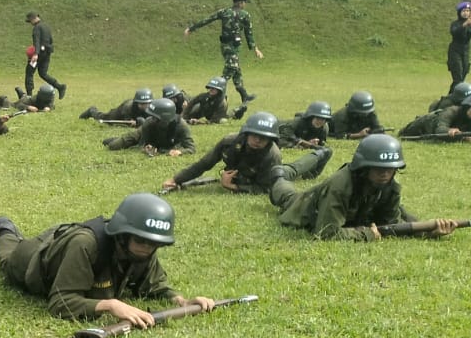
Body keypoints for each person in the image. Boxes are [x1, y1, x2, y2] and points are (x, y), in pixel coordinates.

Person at [0, 193, 214, 325]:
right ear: (122, 236)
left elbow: (155, 286)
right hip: (32, 259)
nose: (148, 249)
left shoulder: (141, 248)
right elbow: (60, 303)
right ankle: (6, 229)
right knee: (8, 254)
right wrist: (110, 305)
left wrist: (181, 301)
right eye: (141, 241)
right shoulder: (86, 244)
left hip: (66, 241)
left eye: (154, 243)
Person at [270, 133, 457, 240]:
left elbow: (391, 225)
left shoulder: (390, 187)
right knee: (287, 195)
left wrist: (428, 232)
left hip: (349, 215)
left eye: (390, 169)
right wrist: (365, 234)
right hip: (304, 205)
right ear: (364, 167)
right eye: (378, 168)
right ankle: (278, 176)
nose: (385, 174)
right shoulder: (340, 185)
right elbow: (326, 233)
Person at [164, 111, 330, 195]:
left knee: (292, 170)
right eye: (254, 135)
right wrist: (176, 179)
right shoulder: (229, 141)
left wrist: (233, 187)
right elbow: (204, 164)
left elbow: (265, 188)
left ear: (271, 139)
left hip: (271, 173)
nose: (258, 140)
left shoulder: (273, 155)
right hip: (244, 174)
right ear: (246, 133)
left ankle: (320, 154)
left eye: (263, 138)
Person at [185, 0, 261, 103]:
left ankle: (244, 95)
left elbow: (208, 19)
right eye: (244, 2)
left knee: (236, 70)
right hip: (230, 46)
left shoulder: (225, 12)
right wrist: (254, 48)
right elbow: (248, 33)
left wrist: (192, 28)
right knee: (230, 69)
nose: (245, 5)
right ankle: (214, 92)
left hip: (228, 46)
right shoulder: (245, 15)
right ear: (240, 3)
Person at [102, 97, 195, 156]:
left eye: (155, 117)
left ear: (165, 118)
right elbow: (142, 144)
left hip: (163, 141)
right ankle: (118, 139)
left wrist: (180, 152)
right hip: (142, 132)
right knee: (113, 145)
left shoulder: (181, 125)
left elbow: (191, 148)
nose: (152, 118)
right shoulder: (149, 122)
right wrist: (147, 148)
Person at [25, 11, 66, 100]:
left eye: (30, 21)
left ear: (33, 19)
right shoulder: (46, 26)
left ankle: (29, 96)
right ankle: (59, 86)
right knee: (43, 73)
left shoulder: (36, 28)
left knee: (29, 73)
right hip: (47, 53)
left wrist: (36, 54)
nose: (30, 23)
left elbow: (37, 41)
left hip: (38, 54)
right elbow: (51, 40)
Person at [80, 87, 154, 124]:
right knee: (104, 117)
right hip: (120, 113)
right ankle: (91, 110)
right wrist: (131, 121)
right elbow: (128, 121)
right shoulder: (128, 107)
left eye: (147, 103)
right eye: (142, 104)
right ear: (137, 103)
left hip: (137, 116)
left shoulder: (152, 107)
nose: (145, 106)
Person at [449, 1, 471, 88]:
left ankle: (452, 95)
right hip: (455, 51)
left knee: (463, 76)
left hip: (465, 52)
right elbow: (454, 32)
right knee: (458, 77)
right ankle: (453, 95)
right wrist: (464, 25)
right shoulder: (455, 24)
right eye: (464, 11)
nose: (466, 13)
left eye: (468, 11)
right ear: (459, 12)